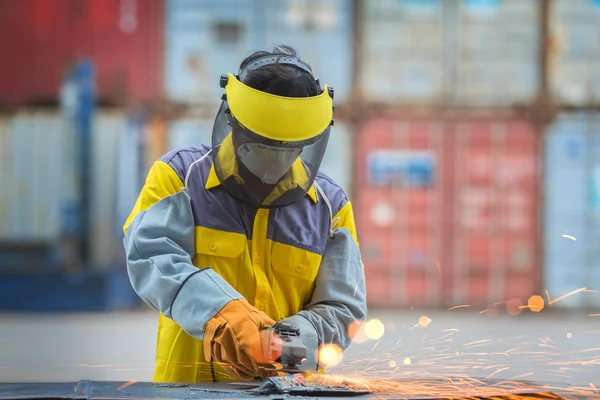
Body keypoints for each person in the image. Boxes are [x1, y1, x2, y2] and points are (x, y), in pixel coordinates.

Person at [122, 45, 367, 383]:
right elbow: (149, 256)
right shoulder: (179, 177)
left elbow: (344, 308)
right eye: (263, 146)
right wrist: (220, 312)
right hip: (186, 391)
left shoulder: (331, 207)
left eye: (289, 148)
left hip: (289, 391)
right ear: (232, 124)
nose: (275, 162)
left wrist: (290, 341)